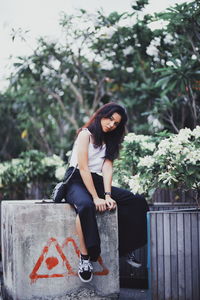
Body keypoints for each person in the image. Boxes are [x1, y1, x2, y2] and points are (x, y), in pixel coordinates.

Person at [64, 102, 149, 283]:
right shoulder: (85, 135)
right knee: (86, 205)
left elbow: (107, 167)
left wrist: (108, 195)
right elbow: (84, 168)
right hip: (76, 179)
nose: (111, 124)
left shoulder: (110, 139)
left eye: (116, 123)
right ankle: (86, 258)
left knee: (137, 201)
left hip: (96, 180)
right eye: (110, 119)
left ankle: (126, 248)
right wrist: (96, 197)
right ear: (102, 114)